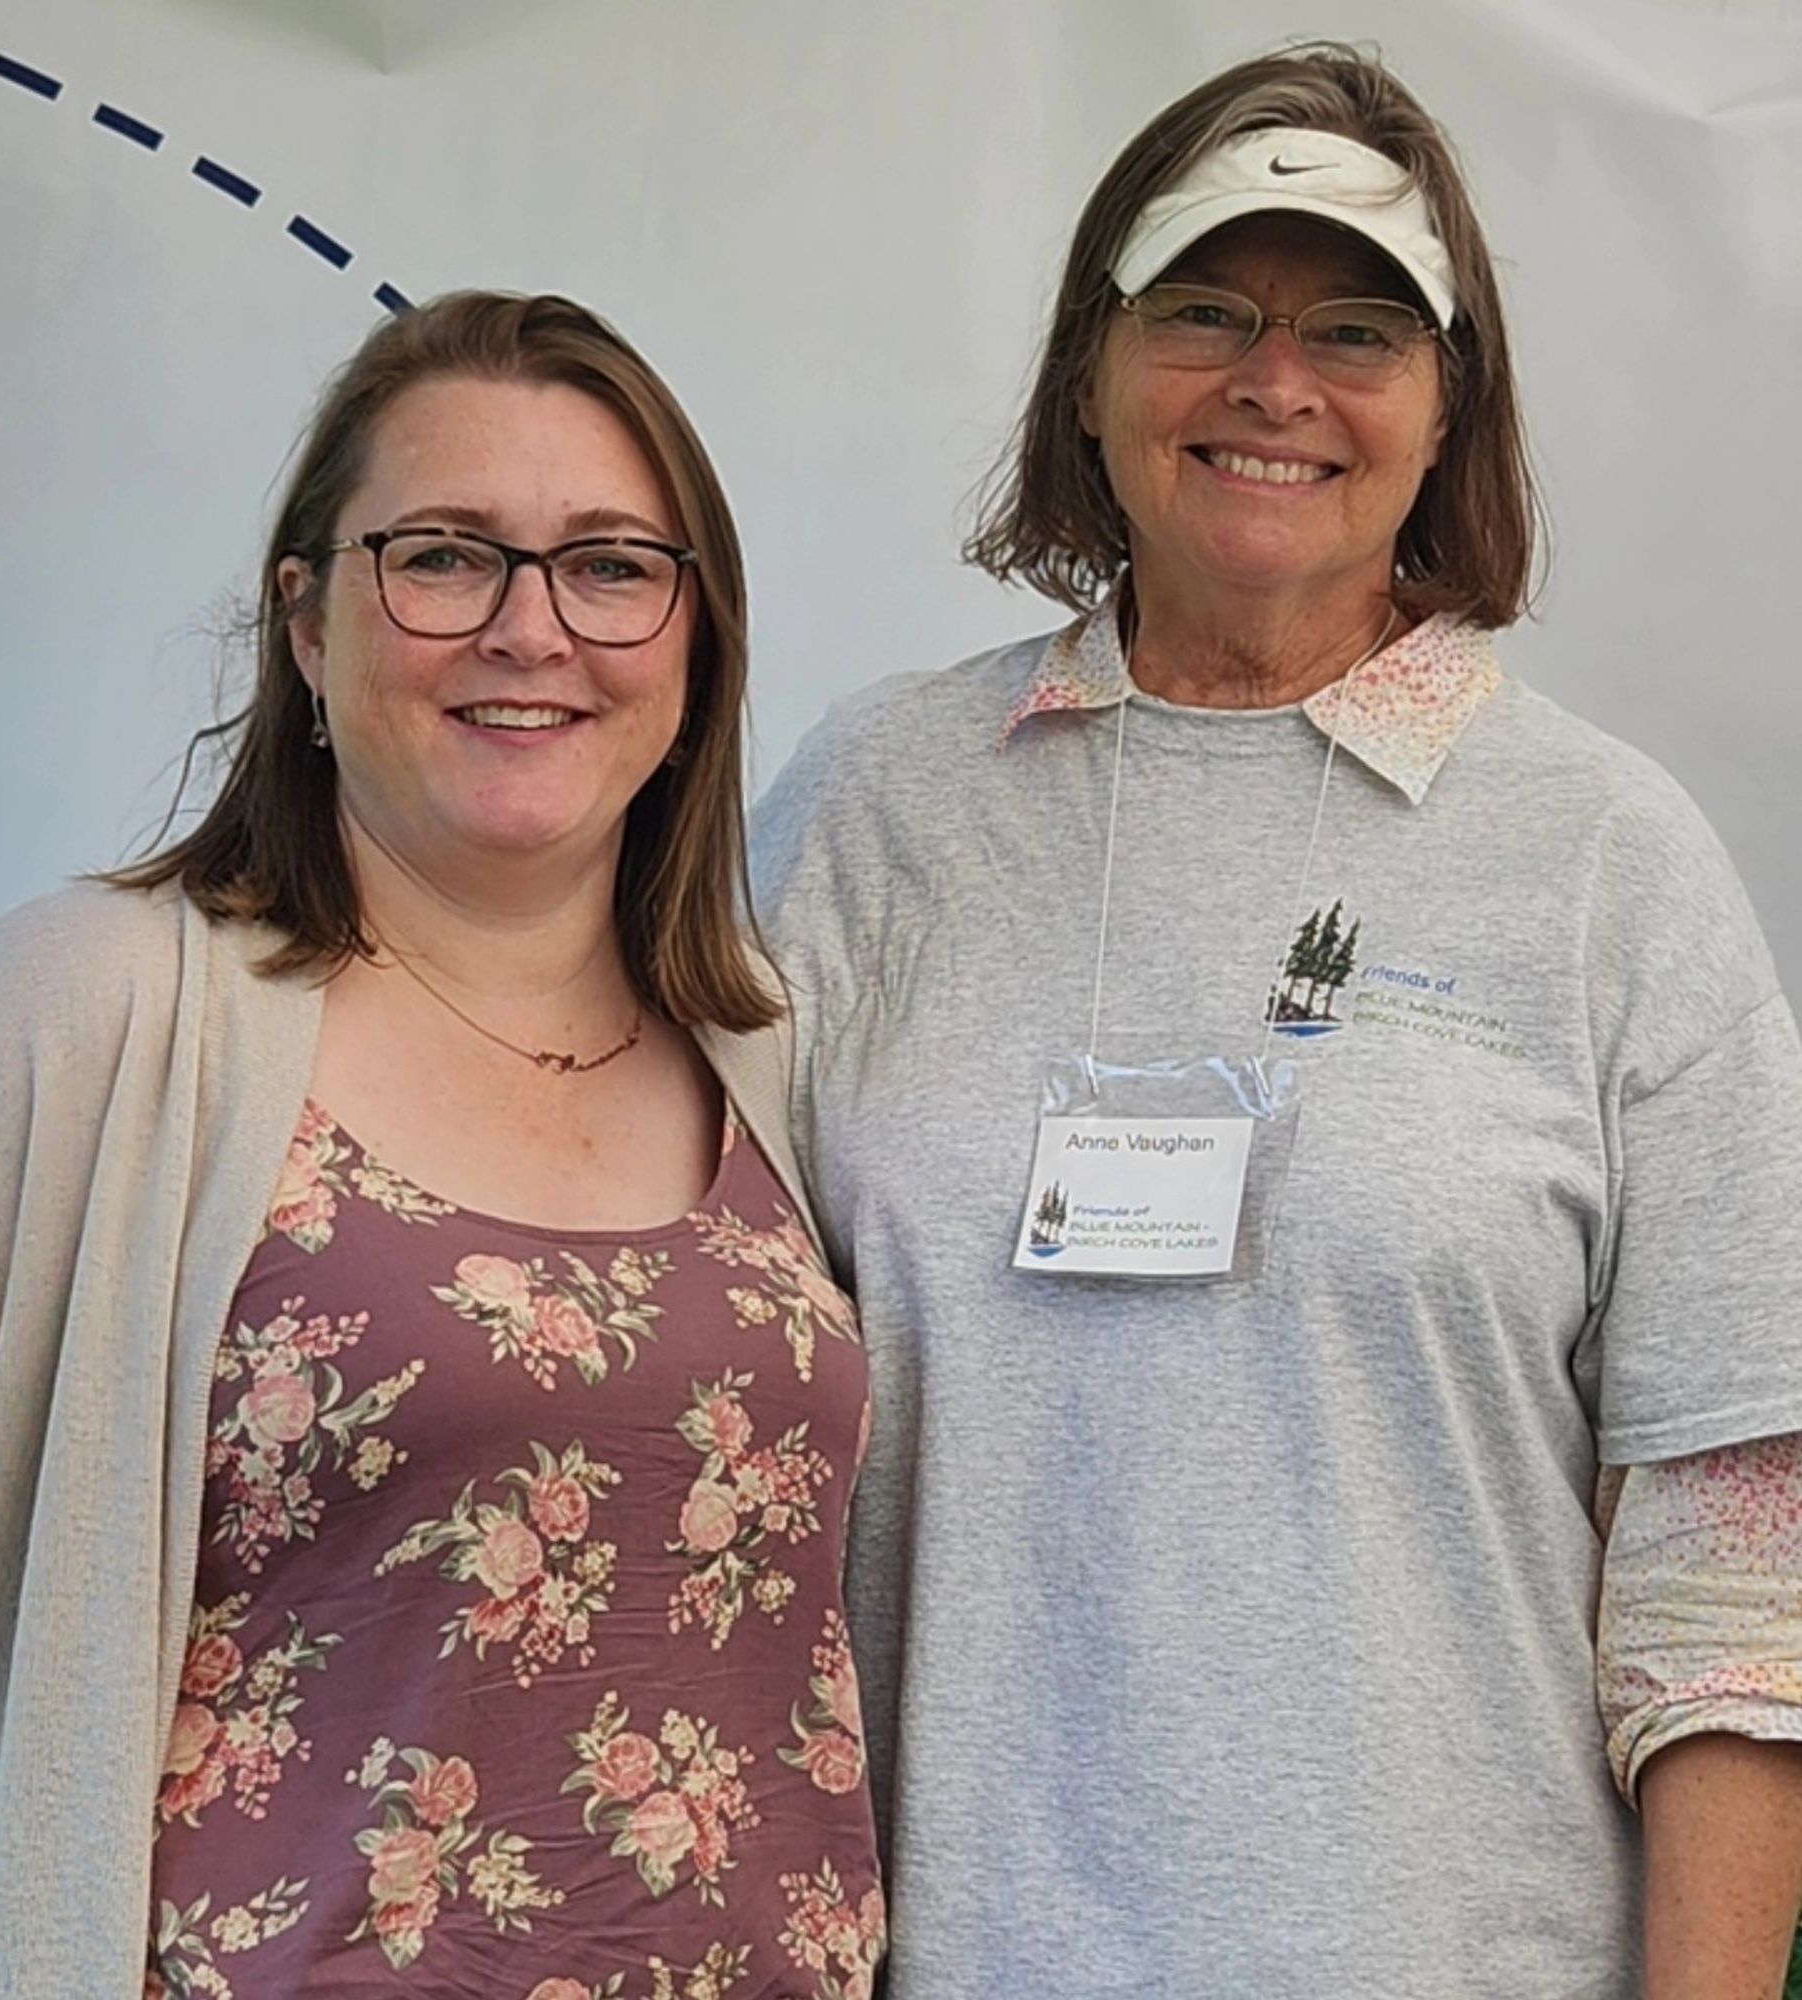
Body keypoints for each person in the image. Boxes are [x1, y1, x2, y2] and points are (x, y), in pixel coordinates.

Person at [753, 42, 1802, 2000]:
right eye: (1205, 311)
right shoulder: (873, 803)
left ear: (1444, 408)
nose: (1273, 380)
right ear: (1089, 368)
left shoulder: (1608, 861)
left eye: (1353, 328)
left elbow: (1732, 1563)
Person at [0, 291, 883, 2000]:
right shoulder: (89, 1018)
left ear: (695, 638)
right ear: (307, 622)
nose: (533, 629)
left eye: (611, 565)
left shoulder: (775, 1054)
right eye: (445, 557)